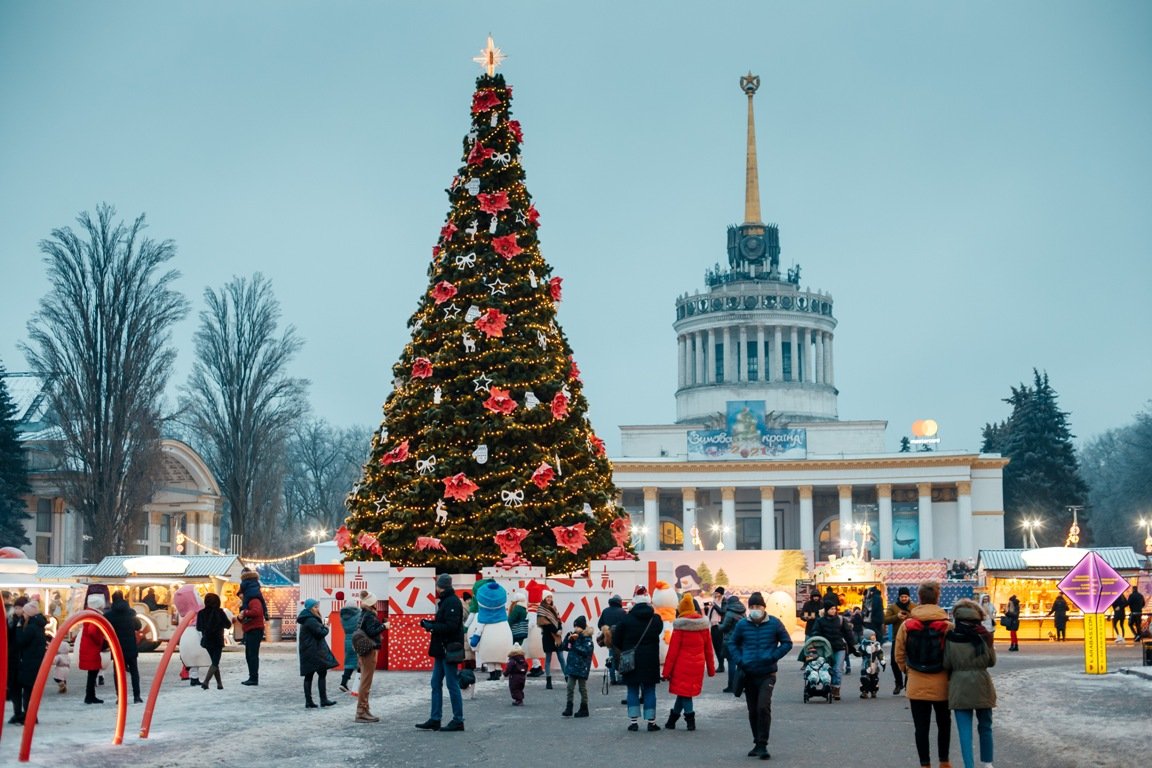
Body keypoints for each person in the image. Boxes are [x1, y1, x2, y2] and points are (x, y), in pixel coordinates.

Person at [728, 591, 793, 760]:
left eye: (758, 606)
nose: (755, 610)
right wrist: (740, 660)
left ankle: (763, 744)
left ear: (764, 608)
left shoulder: (774, 623)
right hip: (748, 673)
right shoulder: (742, 625)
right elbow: (732, 643)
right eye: (752, 607)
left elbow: (787, 643)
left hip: (767, 673)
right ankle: (756, 742)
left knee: (763, 707)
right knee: (752, 710)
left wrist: (773, 656)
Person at [895, 580, 954, 768]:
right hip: (942, 683)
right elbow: (953, 655)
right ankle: (944, 762)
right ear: (937, 597)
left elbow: (899, 654)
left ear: (919, 598)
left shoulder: (907, 625)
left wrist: (909, 671)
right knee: (944, 724)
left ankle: (925, 764)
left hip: (916, 683)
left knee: (921, 727)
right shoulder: (948, 626)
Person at [944, 598, 997, 768]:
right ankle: (987, 763)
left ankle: (969, 765)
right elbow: (991, 662)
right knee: (985, 726)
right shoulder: (984, 636)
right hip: (982, 685)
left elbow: (947, 664)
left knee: (964, 732)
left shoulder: (950, 638)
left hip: (959, 686)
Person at [416, 573, 465, 732]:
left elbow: (450, 626)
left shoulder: (451, 602)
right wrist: (431, 624)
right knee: (436, 683)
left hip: (448, 649)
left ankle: (458, 719)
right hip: (442, 649)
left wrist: (431, 626)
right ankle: (435, 718)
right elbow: (446, 624)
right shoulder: (448, 601)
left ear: (440, 586)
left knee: (451, 684)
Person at [612, 584, 663, 732]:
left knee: (632, 689)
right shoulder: (656, 620)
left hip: (631, 659)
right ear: (648, 601)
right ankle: (651, 722)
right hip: (650, 660)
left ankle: (633, 722)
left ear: (634, 601)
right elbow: (658, 632)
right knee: (649, 690)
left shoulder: (626, 620)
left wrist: (626, 648)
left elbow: (616, 639)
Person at [662, 592, 715, 731]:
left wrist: (666, 672)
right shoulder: (703, 627)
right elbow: (709, 650)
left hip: (681, 666)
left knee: (685, 694)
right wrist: (711, 669)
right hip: (697, 666)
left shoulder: (679, 628)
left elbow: (672, 653)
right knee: (684, 692)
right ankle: (671, 721)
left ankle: (690, 720)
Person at [297, 598, 338, 709]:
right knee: (313, 675)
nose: (317, 608)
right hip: (313, 651)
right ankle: (318, 700)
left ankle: (313, 701)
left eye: (317, 606)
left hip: (310, 650)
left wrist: (323, 624)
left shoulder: (308, 618)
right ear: (310, 608)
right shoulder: (310, 620)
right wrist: (326, 627)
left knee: (315, 674)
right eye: (315, 607)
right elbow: (320, 633)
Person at [13, 601, 48, 725]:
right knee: (29, 691)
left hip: (30, 663)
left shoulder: (32, 627)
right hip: (35, 663)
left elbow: (21, 641)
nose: (23, 615)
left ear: (28, 614)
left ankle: (30, 717)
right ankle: (31, 716)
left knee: (27, 693)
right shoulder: (38, 626)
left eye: (24, 613)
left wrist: (18, 627)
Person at [812, 602, 855, 700]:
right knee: (827, 668)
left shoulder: (840, 620)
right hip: (826, 649)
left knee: (837, 669)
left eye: (834, 609)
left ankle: (836, 688)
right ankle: (828, 686)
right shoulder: (820, 621)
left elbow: (848, 633)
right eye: (831, 609)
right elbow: (815, 633)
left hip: (839, 648)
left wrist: (853, 645)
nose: (833, 611)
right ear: (826, 610)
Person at [105, 591, 143, 703]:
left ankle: (120, 697)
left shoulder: (108, 615)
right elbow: (138, 626)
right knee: (134, 672)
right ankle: (137, 696)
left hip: (117, 648)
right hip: (131, 646)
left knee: (118, 673)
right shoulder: (131, 613)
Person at [354, 591, 385, 723]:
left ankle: (365, 709)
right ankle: (361, 712)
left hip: (363, 651)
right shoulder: (370, 616)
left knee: (365, 682)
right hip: (369, 651)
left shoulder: (362, 614)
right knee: (366, 682)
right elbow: (372, 631)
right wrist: (384, 626)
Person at [173, 584, 210, 688]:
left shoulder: (186, 615)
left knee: (194, 659)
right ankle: (194, 677)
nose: (200, 597)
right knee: (195, 658)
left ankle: (194, 677)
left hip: (188, 636)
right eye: (197, 595)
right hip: (195, 635)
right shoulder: (195, 614)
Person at [561, 615, 594, 718]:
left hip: (582, 667)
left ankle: (584, 708)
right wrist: (568, 640)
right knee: (569, 687)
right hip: (572, 666)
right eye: (575, 627)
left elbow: (586, 651)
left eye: (578, 627)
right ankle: (569, 707)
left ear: (582, 627)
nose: (576, 629)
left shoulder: (587, 638)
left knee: (582, 688)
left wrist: (574, 644)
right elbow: (564, 647)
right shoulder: (573, 635)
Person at [237, 569, 267, 685]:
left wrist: (244, 613)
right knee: (249, 655)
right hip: (250, 629)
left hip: (254, 630)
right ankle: (252, 677)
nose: (240, 597)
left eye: (241, 595)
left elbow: (257, 612)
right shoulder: (249, 601)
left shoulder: (254, 600)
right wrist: (239, 617)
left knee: (252, 655)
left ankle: (254, 678)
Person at [195, 592, 229, 690]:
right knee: (215, 662)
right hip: (217, 640)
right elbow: (228, 625)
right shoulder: (220, 612)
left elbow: (198, 628)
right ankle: (206, 681)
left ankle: (219, 684)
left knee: (214, 662)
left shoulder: (201, 613)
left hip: (207, 640)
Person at [885, 586, 915, 694]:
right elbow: (885, 620)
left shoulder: (914, 606)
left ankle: (908, 683)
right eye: (902, 596)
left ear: (909, 597)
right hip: (896, 638)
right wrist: (897, 616)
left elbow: (919, 618)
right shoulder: (893, 607)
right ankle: (898, 683)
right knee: (894, 661)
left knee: (910, 661)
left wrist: (909, 616)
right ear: (899, 597)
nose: (904, 598)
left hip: (911, 638)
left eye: (905, 596)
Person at [79, 593, 107, 704]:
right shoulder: (94, 616)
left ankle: (90, 695)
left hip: (88, 647)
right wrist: (99, 641)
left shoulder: (89, 613)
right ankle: (90, 696)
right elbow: (92, 631)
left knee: (92, 673)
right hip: (92, 648)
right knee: (93, 673)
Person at [536, 590, 566, 689]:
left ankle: (567, 678)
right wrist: (555, 630)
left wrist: (560, 629)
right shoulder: (541, 609)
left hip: (557, 637)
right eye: (547, 597)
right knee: (548, 659)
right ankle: (548, 681)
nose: (549, 599)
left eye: (550, 597)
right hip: (548, 636)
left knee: (561, 658)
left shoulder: (554, 608)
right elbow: (543, 623)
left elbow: (558, 620)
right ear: (544, 598)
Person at [597, 593, 627, 685]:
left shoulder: (605, 611)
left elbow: (600, 624)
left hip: (609, 638)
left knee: (611, 657)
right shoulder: (622, 612)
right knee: (620, 657)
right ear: (619, 602)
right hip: (620, 639)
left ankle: (612, 678)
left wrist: (606, 630)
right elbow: (626, 626)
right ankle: (620, 677)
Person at [718, 594, 746, 693]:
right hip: (741, 640)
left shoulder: (729, 613)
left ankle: (731, 686)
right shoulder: (743, 612)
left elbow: (725, 627)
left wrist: (719, 626)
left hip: (730, 640)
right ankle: (741, 685)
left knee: (731, 663)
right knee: (741, 664)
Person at [7, 595, 28, 723]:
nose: (17, 610)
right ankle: (17, 712)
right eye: (15, 607)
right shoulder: (11, 621)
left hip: (23, 659)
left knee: (26, 689)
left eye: (19, 607)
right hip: (13, 658)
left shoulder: (28, 622)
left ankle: (27, 714)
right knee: (14, 687)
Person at [338, 599, 362, 694]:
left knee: (349, 662)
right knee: (361, 662)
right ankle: (358, 686)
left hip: (347, 640)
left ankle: (343, 683)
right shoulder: (359, 615)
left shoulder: (342, 617)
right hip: (358, 639)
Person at [707, 587, 727, 673]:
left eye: (717, 592)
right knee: (715, 646)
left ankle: (721, 665)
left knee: (719, 646)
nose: (715, 594)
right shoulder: (714, 601)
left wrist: (714, 606)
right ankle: (720, 664)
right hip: (713, 625)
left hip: (719, 626)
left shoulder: (724, 601)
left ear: (720, 593)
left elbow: (722, 612)